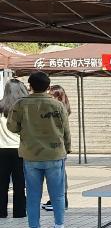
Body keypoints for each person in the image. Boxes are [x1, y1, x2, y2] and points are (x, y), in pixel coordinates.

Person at [6, 71, 71, 228]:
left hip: (31, 155)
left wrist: (25, 129)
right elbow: (66, 131)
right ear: (48, 86)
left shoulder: (21, 104)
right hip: (55, 154)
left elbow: (12, 127)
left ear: (30, 86)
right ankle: (59, 227)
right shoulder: (57, 105)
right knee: (57, 194)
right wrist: (67, 148)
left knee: (33, 195)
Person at [0, 79, 27, 219]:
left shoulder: (0, 107)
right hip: (20, 149)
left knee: (2, 183)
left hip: (1, 149)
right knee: (20, 183)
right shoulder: (25, 108)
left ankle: (1, 212)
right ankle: (19, 212)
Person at [42, 84, 71, 212]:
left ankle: (61, 201)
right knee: (57, 174)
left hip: (56, 146)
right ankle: (57, 200)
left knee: (58, 175)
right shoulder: (60, 108)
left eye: (52, 95)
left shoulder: (58, 110)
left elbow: (65, 132)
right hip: (56, 146)